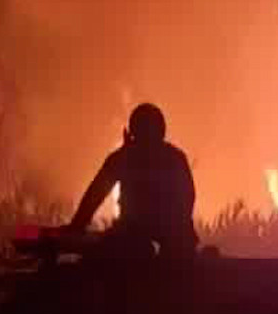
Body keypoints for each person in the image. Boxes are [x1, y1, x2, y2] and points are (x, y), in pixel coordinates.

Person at [65, 103, 198, 262]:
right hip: (166, 238)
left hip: (139, 236)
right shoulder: (175, 157)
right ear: (162, 130)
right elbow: (187, 198)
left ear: (133, 130)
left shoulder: (124, 157)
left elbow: (94, 195)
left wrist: (76, 226)